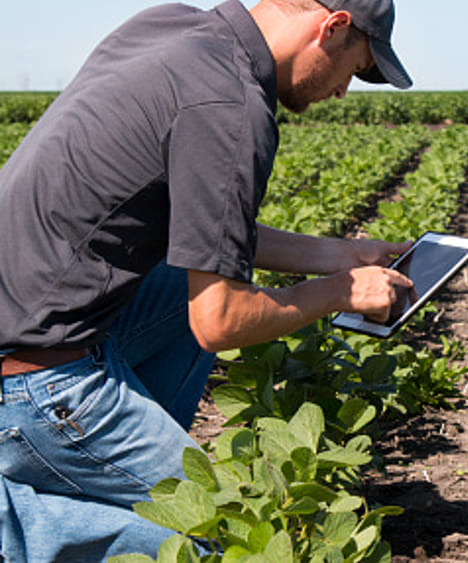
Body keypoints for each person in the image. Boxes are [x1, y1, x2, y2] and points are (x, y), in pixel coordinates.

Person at [0, 0, 414, 559]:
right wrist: (341, 292)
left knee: (178, 282)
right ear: (333, 27)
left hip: (31, 335)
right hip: (35, 385)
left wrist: (342, 255)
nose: (343, 92)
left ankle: (117, 479)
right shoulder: (233, 105)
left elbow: (206, 230)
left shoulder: (171, 28)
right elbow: (219, 320)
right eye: (357, 70)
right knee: (241, 532)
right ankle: (22, 528)